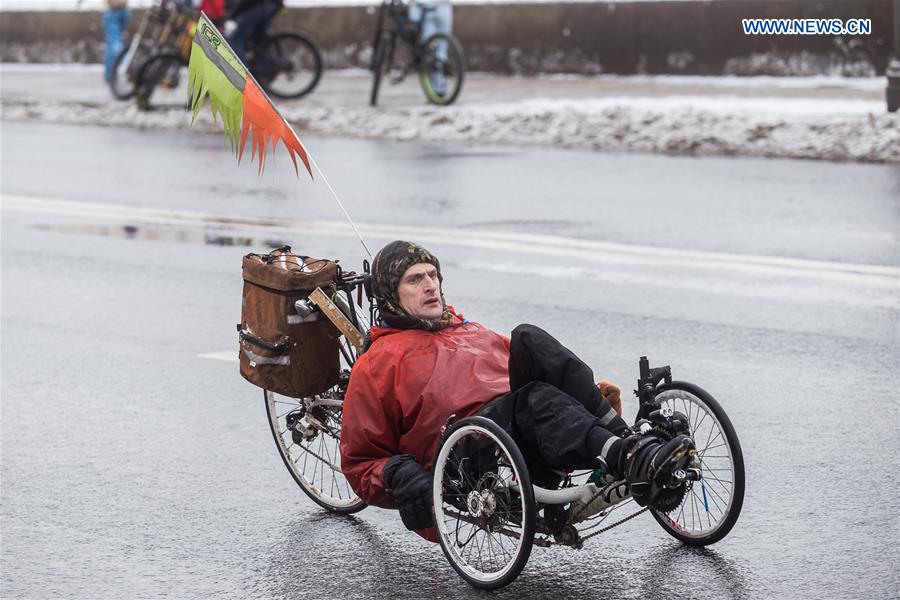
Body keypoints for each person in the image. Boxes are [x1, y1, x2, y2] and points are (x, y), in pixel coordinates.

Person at [339, 241, 695, 538]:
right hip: (467, 452)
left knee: (528, 338)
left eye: (433, 275)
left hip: (522, 426)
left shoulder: (466, 329)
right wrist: (398, 475)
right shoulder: (378, 362)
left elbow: (540, 372)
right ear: (390, 294)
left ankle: (631, 443)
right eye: (415, 280)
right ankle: (623, 454)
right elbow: (359, 462)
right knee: (533, 399)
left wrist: (588, 394)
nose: (430, 285)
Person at [101, 0, 130, 82]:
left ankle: (113, 71)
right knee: (117, 40)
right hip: (123, 9)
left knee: (114, 43)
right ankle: (119, 68)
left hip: (113, 10)